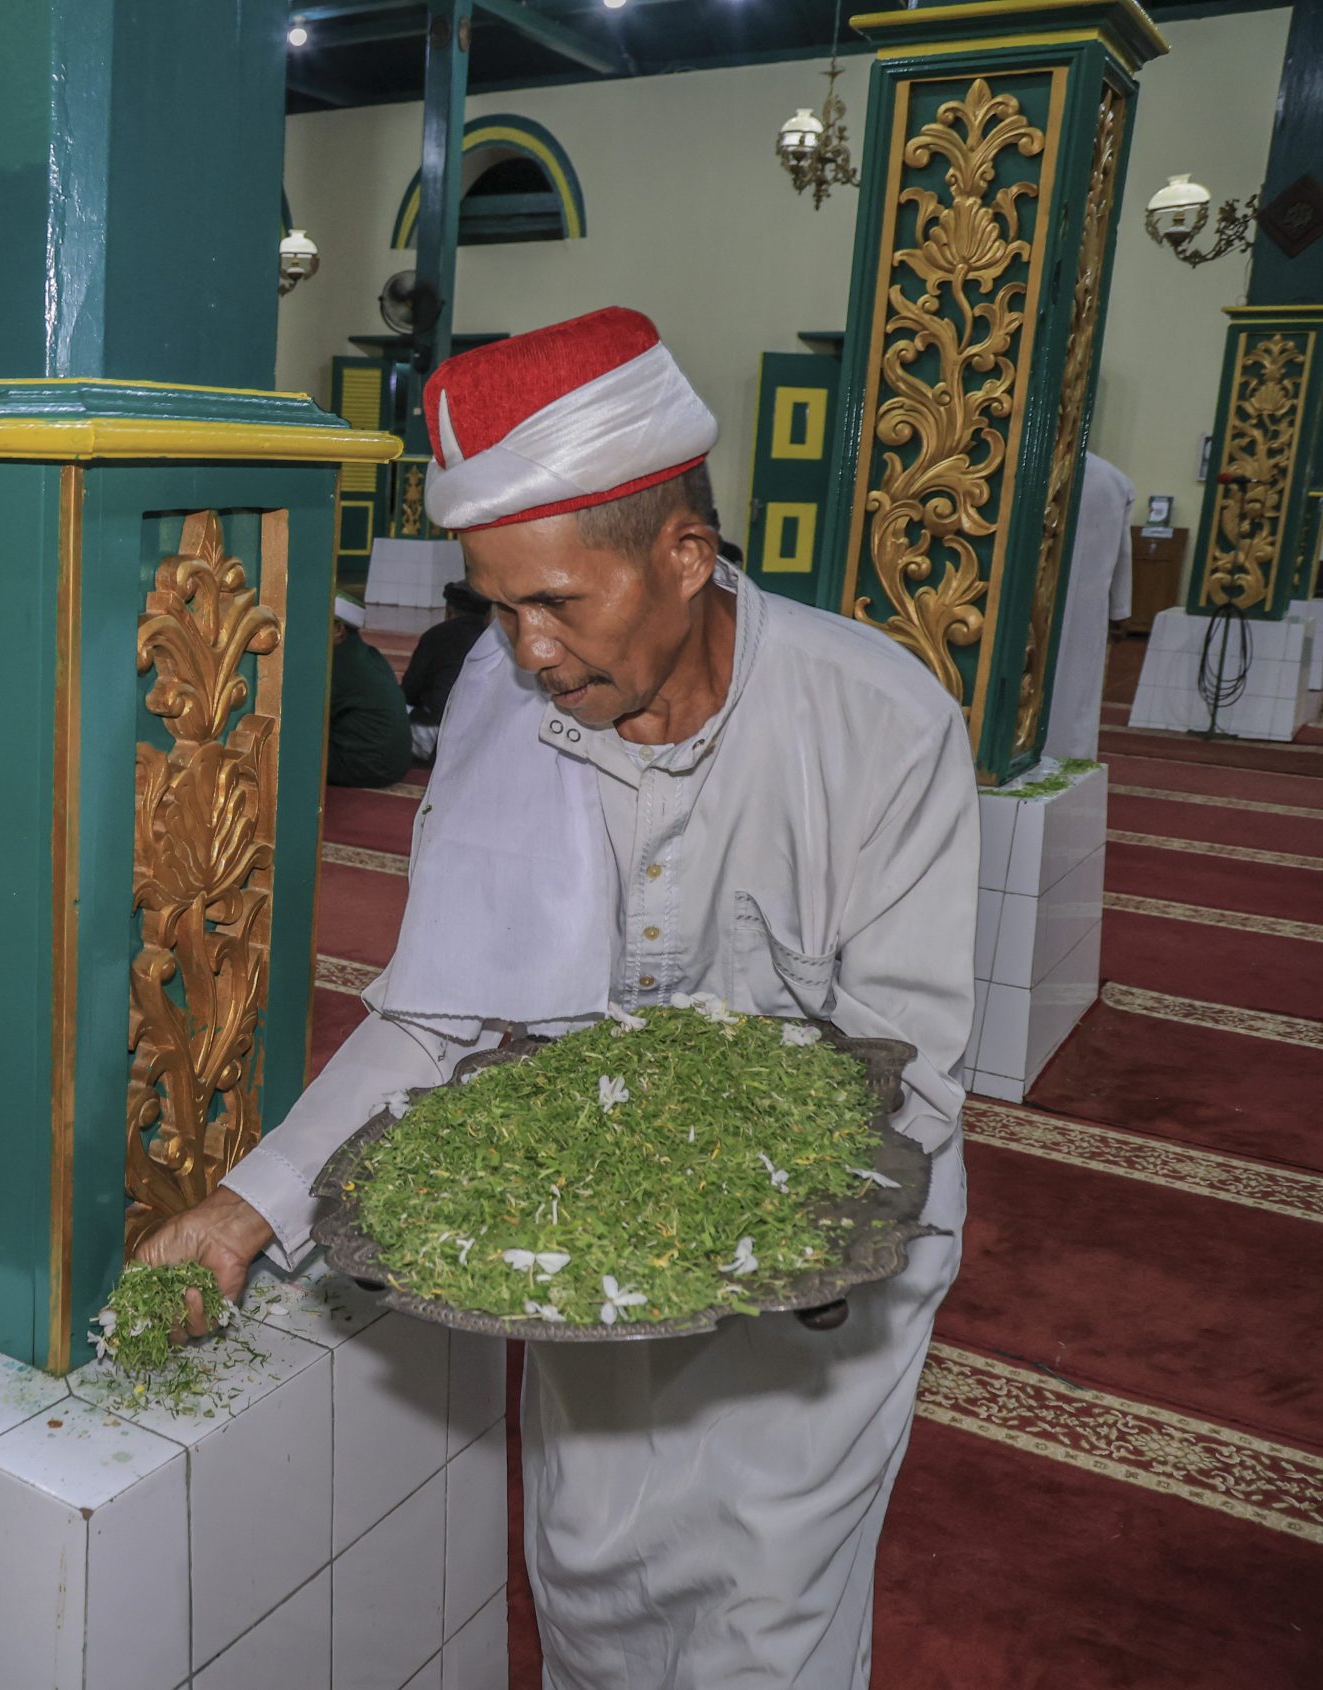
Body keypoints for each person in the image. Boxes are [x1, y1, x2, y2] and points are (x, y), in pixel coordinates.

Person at [136, 308, 976, 1690]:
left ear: (687, 557)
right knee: (592, 1585)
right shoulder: (506, 703)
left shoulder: (878, 725)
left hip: (827, 1276)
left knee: (761, 1615)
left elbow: (911, 1073)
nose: (526, 651)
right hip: (585, 1261)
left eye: (558, 604)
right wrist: (249, 1202)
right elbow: (438, 1011)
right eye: (498, 605)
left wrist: (756, 1231)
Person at [1045, 453, 1137, 763]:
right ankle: (1070, 759)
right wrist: (1120, 611)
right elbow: (1124, 554)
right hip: (1087, 604)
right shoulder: (1113, 478)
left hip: (1039, 598)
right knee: (1076, 689)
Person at [399, 577, 492, 763]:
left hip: (437, 737)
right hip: (485, 738)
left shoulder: (437, 635)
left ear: (449, 610)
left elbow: (409, 691)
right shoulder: (497, 639)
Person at [327, 595, 413, 787]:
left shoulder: (340, 664)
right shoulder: (366, 653)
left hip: (368, 766)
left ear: (339, 630)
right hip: (394, 763)